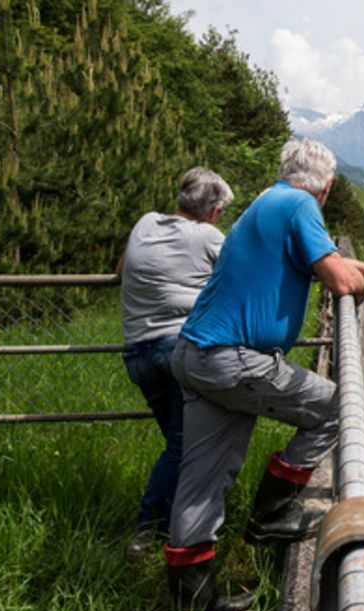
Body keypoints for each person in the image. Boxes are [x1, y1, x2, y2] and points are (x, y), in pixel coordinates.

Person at [164, 138, 364, 611]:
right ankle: (271, 516)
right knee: (339, 407)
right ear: (327, 187)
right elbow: (336, 278)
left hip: (195, 353)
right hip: (232, 359)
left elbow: (327, 265)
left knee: (202, 482)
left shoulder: (268, 202)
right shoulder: (300, 205)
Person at [119, 167, 232, 564]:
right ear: (215, 211)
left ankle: (170, 526)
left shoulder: (145, 223)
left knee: (181, 444)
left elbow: (121, 271)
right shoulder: (208, 236)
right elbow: (241, 278)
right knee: (186, 446)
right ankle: (148, 530)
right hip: (177, 352)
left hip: (136, 354)